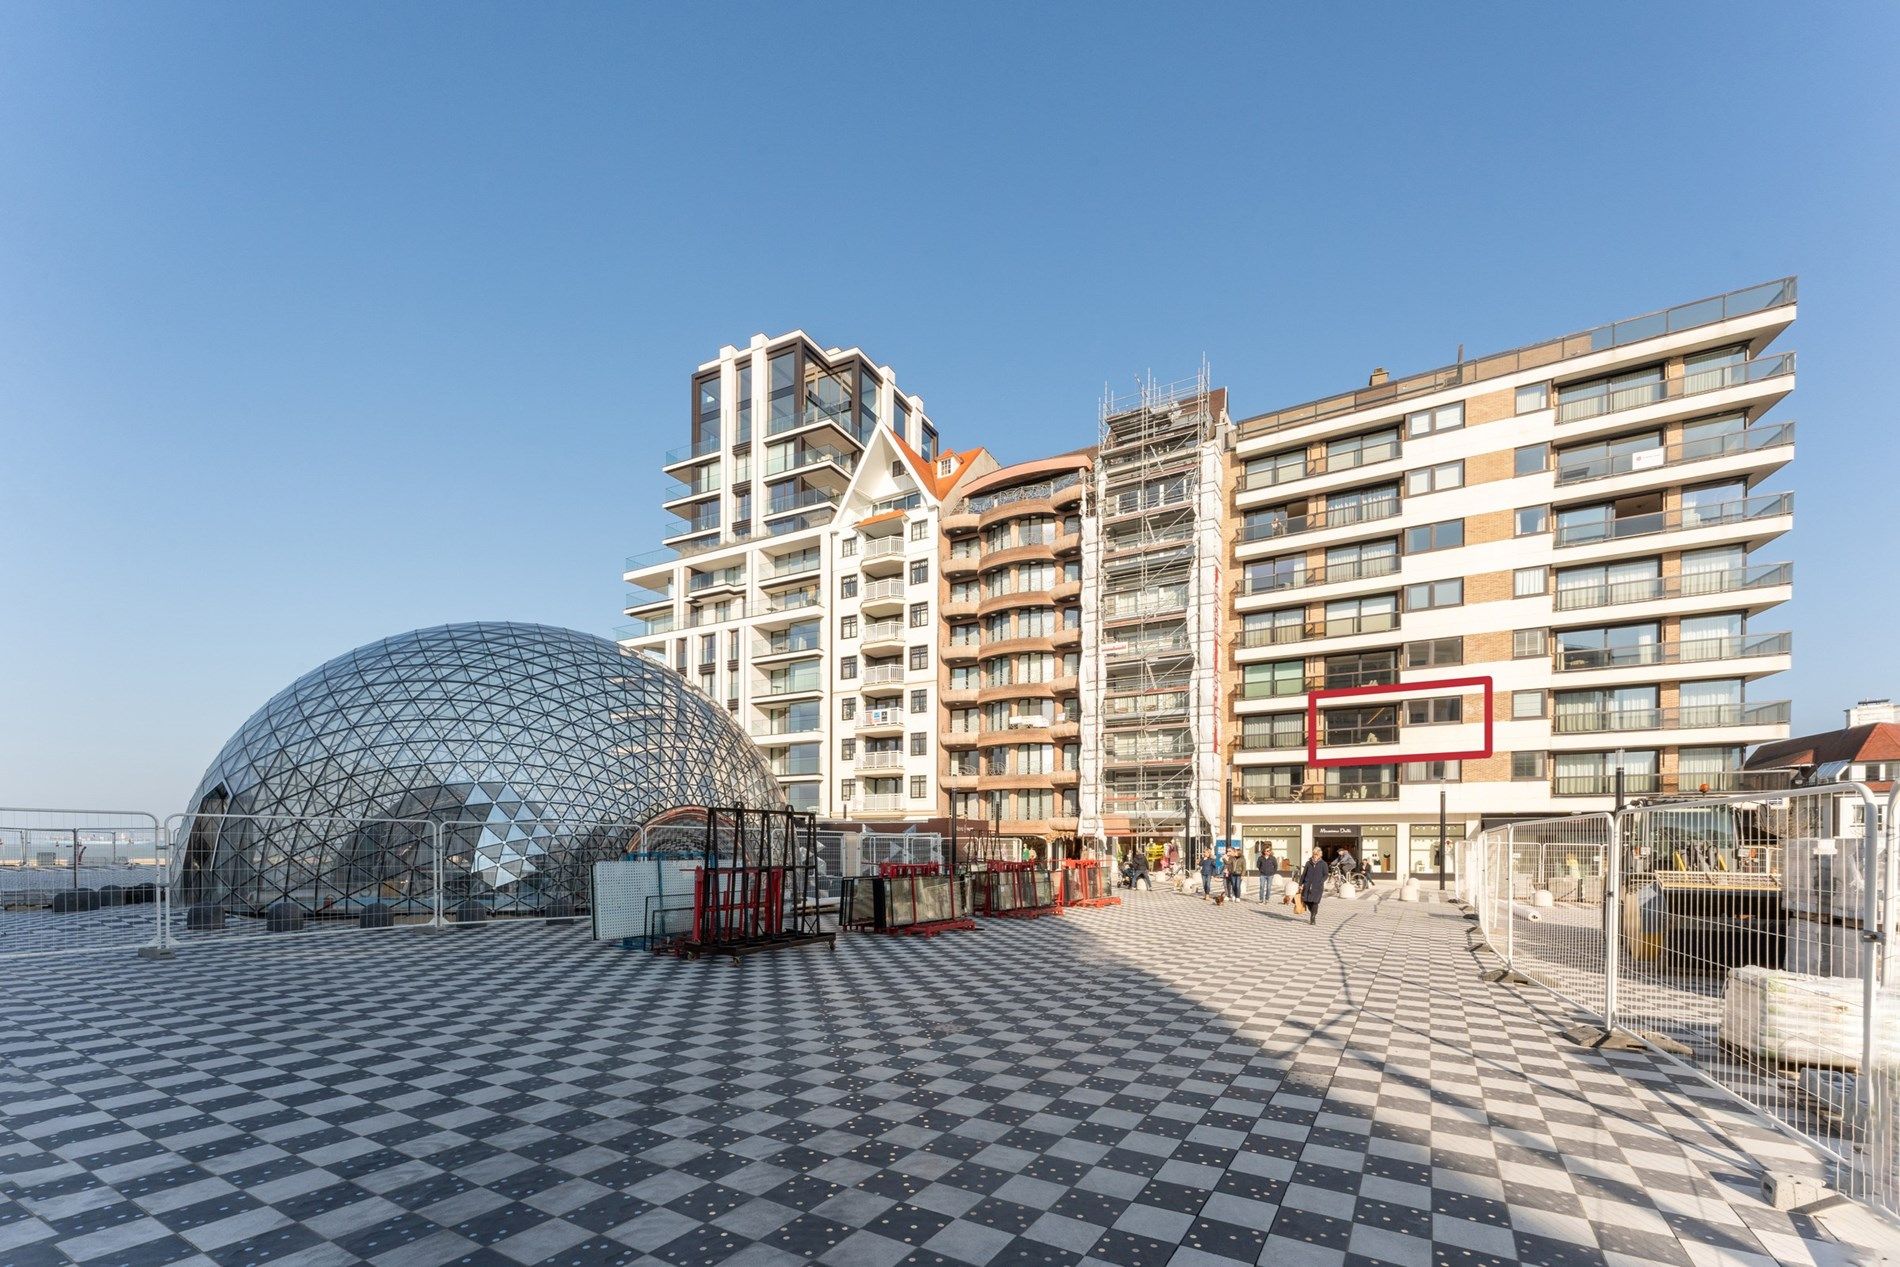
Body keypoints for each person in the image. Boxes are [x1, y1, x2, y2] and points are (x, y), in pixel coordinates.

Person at [1299, 845, 1328, 925]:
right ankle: (1313, 912)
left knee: (1315, 902)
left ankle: (1313, 917)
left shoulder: (1323, 864)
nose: (1315, 856)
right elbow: (1303, 874)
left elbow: (1326, 875)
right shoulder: (1308, 863)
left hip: (1318, 887)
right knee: (1306, 901)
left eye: (1317, 855)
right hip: (1307, 886)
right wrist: (1300, 884)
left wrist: (1321, 881)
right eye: (1314, 854)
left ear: (1320, 855)